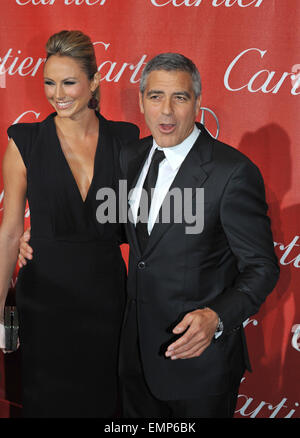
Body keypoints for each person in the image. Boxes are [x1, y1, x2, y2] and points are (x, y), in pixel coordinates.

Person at [117, 53, 280, 418]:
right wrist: (36, 240)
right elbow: (125, 234)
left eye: (180, 97)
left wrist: (217, 318)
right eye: (156, 96)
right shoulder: (131, 156)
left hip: (199, 368)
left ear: (199, 101)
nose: (167, 112)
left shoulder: (232, 172)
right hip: (135, 359)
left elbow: (262, 267)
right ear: (142, 101)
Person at [0, 30, 139, 418]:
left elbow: (134, 222)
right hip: (45, 297)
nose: (57, 93)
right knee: (47, 402)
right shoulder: (24, 140)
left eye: (68, 82)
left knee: (104, 401)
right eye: (49, 82)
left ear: (94, 82)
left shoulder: (126, 140)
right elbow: (10, 231)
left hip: (106, 295)